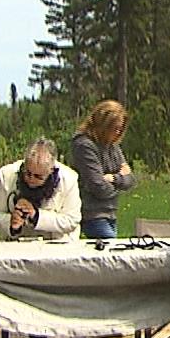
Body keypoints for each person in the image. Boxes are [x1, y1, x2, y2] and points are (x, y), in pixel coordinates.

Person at [0, 138, 94, 338]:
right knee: (30, 300)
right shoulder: (7, 175)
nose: (31, 179)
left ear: (51, 170)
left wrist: (37, 217)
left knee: (71, 300)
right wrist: (11, 224)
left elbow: (71, 220)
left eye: (38, 177)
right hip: (23, 250)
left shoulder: (69, 179)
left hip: (60, 248)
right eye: (28, 173)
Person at [69, 99, 136, 240]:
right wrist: (120, 180)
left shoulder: (113, 146)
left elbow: (130, 180)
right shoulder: (84, 145)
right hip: (92, 214)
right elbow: (98, 186)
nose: (117, 133)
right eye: (114, 128)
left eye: (120, 129)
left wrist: (113, 178)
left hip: (111, 212)